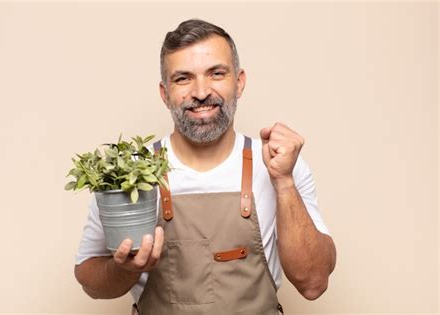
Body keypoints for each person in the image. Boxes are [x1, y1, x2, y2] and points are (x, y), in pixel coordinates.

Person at [74, 19, 336, 314]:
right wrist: (125, 270)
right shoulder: (130, 173)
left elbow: (314, 283)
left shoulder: (279, 164)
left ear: (239, 82)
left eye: (216, 73)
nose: (201, 91)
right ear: (165, 93)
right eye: (183, 78)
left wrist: (284, 181)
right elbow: (90, 282)